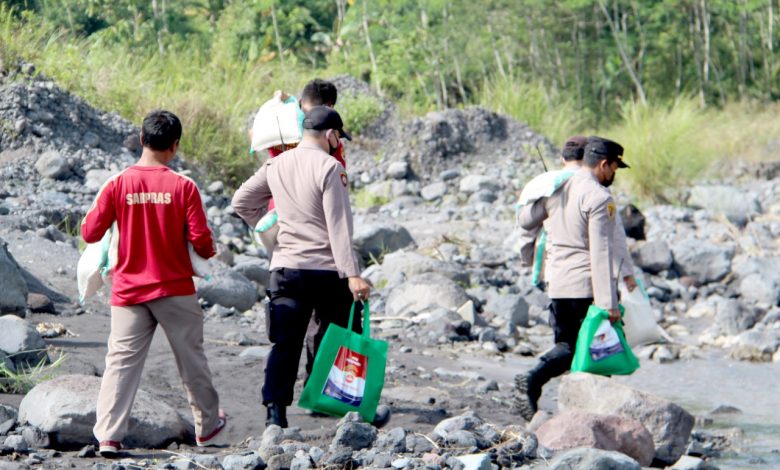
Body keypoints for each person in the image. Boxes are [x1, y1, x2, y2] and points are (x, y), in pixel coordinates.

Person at [81, 110, 226, 456]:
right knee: (191, 360)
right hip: (174, 288)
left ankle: (109, 436)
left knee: (121, 363)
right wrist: (208, 251)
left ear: (142, 140)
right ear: (174, 146)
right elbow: (201, 240)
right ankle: (207, 427)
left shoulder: (118, 184)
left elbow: (90, 232)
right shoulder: (183, 187)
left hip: (128, 290)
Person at [232, 106, 385, 428]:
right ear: (330, 135)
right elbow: (339, 226)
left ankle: (275, 412)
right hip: (327, 272)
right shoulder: (331, 168)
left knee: (285, 343)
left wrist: (268, 227)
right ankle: (337, 404)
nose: (338, 143)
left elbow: (241, 201)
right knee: (340, 337)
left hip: (286, 269)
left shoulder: (276, 163)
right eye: (338, 137)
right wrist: (353, 274)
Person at [511, 136, 629, 421]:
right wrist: (608, 303)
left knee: (568, 345)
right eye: (615, 167)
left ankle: (574, 409)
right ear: (604, 164)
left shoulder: (556, 187)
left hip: (558, 283)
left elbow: (525, 220)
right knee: (598, 350)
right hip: (585, 285)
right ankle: (537, 380)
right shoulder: (599, 197)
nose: (614, 173)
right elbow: (600, 253)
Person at [518, 136, 638, 291]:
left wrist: (529, 260)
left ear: (562, 159)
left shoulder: (546, 185)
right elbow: (615, 237)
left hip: (555, 277)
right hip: (588, 281)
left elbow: (525, 225)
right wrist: (627, 274)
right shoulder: (598, 192)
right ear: (587, 159)